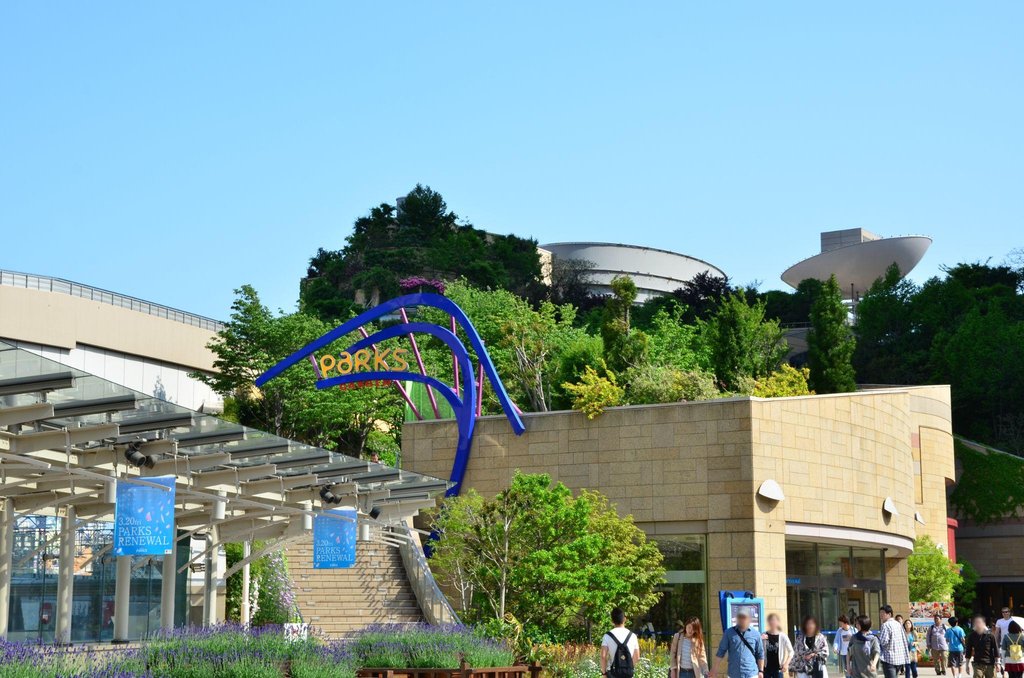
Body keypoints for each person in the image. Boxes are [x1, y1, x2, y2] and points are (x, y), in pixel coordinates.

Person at [711, 609, 764, 678]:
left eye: (744, 617)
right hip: (734, 674)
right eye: (740, 617)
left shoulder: (756, 634)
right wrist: (715, 669)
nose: (742, 620)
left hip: (751, 673)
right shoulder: (728, 633)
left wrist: (761, 671)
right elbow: (721, 651)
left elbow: (760, 654)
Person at [602, 607, 640, 678]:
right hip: (628, 673)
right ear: (625, 619)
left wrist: (604, 673)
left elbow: (603, 656)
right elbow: (637, 657)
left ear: (612, 621)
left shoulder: (607, 636)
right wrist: (628, 667)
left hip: (613, 673)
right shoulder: (633, 636)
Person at [878, 606, 912, 678]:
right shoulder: (898, 624)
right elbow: (905, 640)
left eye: (883, 613)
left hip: (889, 659)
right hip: (899, 658)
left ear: (889, 614)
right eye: (880, 613)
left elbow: (883, 642)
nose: (880, 615)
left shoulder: (885, 625)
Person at [761, 613, 794, 678]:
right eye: (771, 620)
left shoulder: (783, 636)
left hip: (778, 669)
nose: (773, 622)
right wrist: (760, 638)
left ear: (778, 622)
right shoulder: (764, 635)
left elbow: (791, 651)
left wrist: (786, 664)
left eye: (774, 620)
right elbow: (758, 650)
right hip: (766, 668)